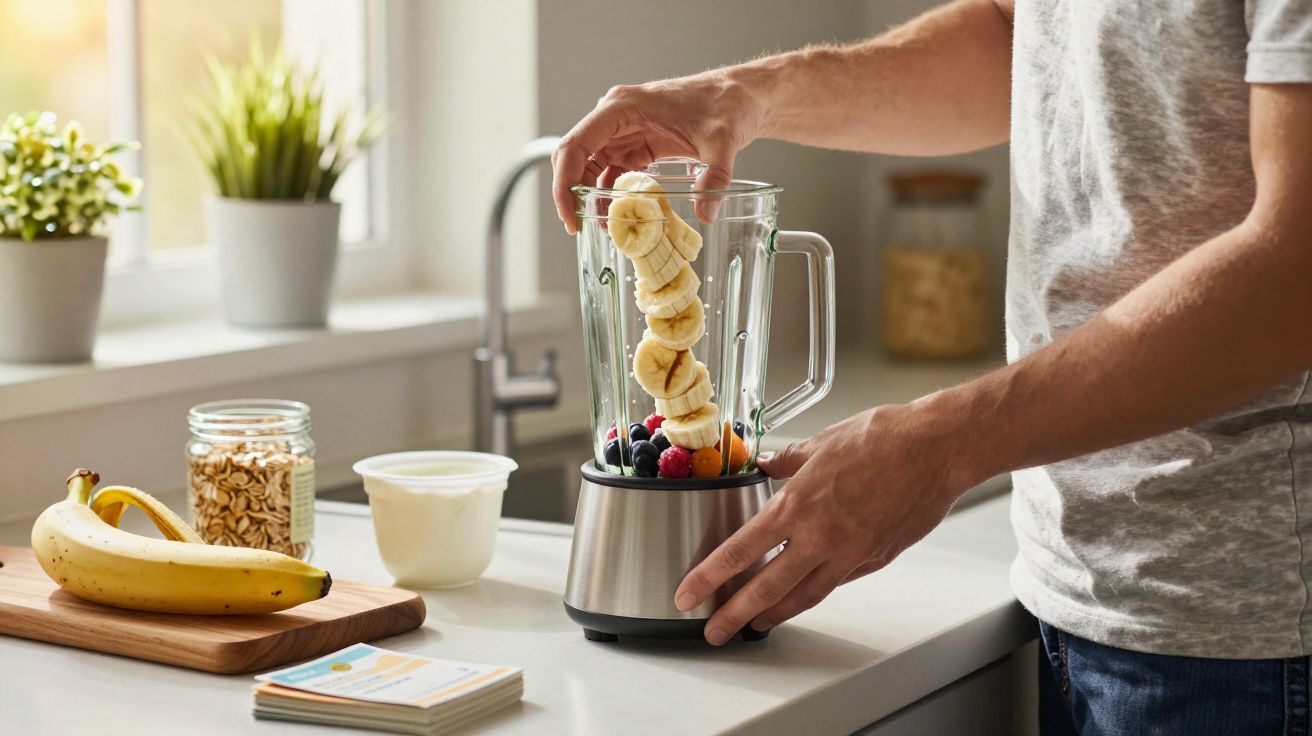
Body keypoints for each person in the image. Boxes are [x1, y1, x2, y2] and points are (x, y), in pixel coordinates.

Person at [551, 1, 1312, 732]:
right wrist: (750, 94)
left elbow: (1297, 273)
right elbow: (1012, 33)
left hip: (1246, 627)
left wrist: (943, 442)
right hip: (1076, 579)